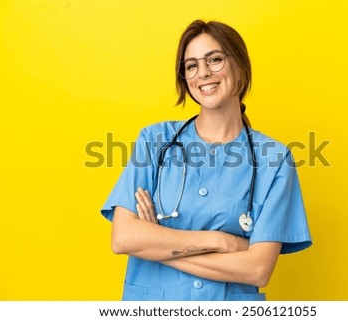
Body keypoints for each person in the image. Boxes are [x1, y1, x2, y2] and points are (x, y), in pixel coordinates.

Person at [101, 19, 312, 301]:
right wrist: (221, 242)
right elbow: (124, 239)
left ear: (240, 68)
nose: (203, 73)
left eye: (214, 60)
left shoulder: (274, 160)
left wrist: (155, 245)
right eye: (191, 65)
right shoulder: (155, 141)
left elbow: (257, 269)